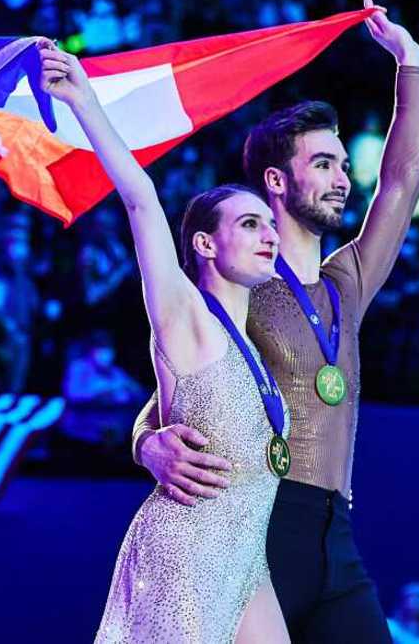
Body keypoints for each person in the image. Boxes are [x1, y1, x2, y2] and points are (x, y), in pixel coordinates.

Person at [132, 0, 419, 642]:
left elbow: (402, 182)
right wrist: (147, 442)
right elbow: (171, 378)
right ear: (275, 180)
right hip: (257, 526)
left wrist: (411, 62)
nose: (343, 178)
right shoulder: (243, 282)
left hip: (336, 533)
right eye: (323, 164)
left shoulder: (348, 282)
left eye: (345, 165)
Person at [36, 40, 290, 643]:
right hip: (181, 562)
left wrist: (146, 437)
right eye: (250, 223)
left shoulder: (254, 349)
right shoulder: (186, 316)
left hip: (247, 561)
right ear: (205, 244)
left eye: (271, 224)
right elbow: (141, 202)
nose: (269, 235)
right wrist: (83, 102)